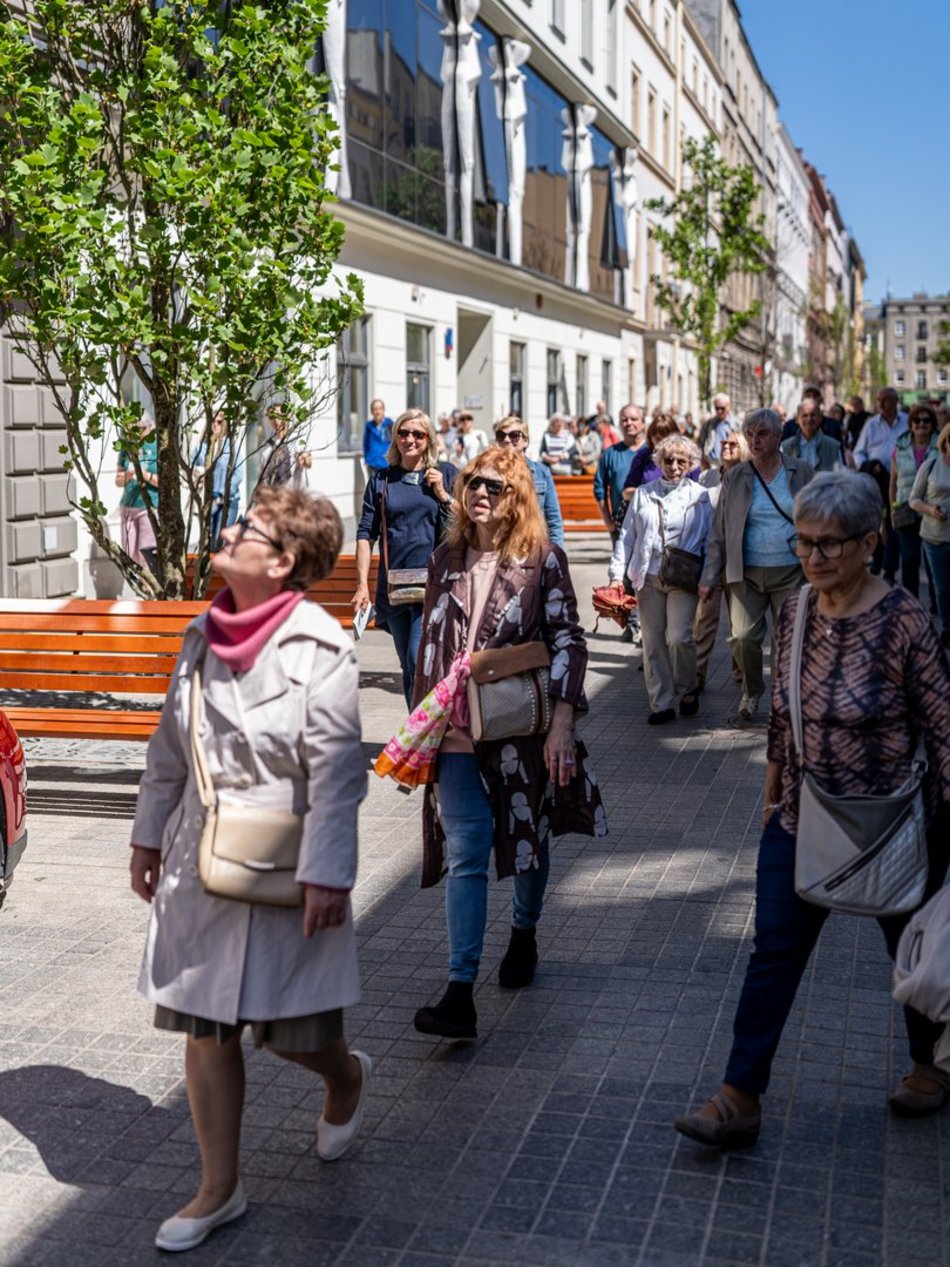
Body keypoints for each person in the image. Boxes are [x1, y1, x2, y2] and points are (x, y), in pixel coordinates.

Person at [675, 472, 950, 1150]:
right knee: (774, 949)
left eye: (830, 544)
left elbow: (944, 725)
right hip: (803, 812)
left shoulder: (905, 619)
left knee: (911, 949)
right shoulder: (796, 608)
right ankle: (739, 1095)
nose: (815, 557)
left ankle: (931, 1060)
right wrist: (772, 786)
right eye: (804, 543)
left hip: (890, 822)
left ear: (869, 542)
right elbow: (782, 705)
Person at [129, 486, 371, 1251]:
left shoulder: (320, 645)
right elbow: (169, 748)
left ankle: (345, 1076)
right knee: (206, 1026)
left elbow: (337, 772)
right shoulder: (202, 633)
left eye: (247, 528)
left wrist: (330, 873)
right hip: (201, 858)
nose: (228, 532)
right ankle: (218, 1188)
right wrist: (145, 837)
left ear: (285, 559)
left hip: (285, 863)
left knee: (287, 1032)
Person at [410, 445, 606, 1040]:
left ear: (516, 496)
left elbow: (569, 638)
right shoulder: (445, 557)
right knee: (468, 851)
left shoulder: (542, 559)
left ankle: (524, 930)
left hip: (519, 728)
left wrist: (565, 722)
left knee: (528, 838)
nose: (480, 494)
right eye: (472, 482)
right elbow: (430, 641)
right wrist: (419, 724)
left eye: (494, 486)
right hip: (454, 731)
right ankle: (460, 991)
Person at [700, 408, 814, 722]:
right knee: (742, 637)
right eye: (750, 434)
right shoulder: (736, 477)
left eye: (762, 433)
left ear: (779, 437)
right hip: (745, 572)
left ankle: (783, 697)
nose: (755, 439)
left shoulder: (801, 471)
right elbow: (719, 531)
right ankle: (751, 689)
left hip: (791, 569)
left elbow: (819, 516)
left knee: (788, 639)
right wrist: (710, 576)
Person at [353, 409, 456, 706]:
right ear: (395, 437)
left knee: (417, 659)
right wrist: (362, 584)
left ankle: (422, 737)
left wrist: (442, 494)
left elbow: (468, 522)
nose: (409, 440)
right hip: (394, 587)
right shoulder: (382, 480)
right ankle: (417, 735)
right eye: (403, 433)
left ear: (429, 439)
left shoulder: (446, 474)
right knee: (408, 667)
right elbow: (365, 534)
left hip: (434, 585)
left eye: (418, 434)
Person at [609, 435, 712, 724]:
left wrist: (709, 576)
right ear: (660, 462)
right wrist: (617, 575)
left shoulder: (700, 496)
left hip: (683, 577)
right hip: (648, 575)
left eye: (682, 461)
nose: (675, 466)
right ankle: (661, 702)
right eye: (669, 460)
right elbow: (627, 537)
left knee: (678, 637)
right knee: (653, 642)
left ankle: (688, 687)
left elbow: (709, 540)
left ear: (691, 463)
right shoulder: (643, 493)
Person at [694, 431, 749, 691]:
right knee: (704, 620)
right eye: (724, 443)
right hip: (709, 558)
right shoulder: (708, 477)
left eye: (733, 444)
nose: (725, 446)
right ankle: (696, 676)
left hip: (739, 559)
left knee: (739, 625)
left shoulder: (751, 478)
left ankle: (741, 675)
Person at [854, 387, 909, 582]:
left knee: (894, 522)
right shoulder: (871, 425)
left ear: (895, 401)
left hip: (899, 481)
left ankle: (890, 567)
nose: (880, 404)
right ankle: (876, 559)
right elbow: (858, 452)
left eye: (885, 399)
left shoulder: (906, 422)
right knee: (875, 521)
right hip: (876, 480)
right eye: (878, 399)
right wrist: (868, 466)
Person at [890, 404, 939, 600]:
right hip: (905, 509)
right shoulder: (900, 448)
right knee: (909, 558)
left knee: (932, 561)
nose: (921, 424)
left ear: (932, 424)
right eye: (917, 420)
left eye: (926, 420)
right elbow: (893, 482)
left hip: (933, 510)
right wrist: (892, 509)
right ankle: (911, 602)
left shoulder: (941, 446)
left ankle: (938, 605)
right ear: (910, 424)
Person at [493, 416, 564, 545]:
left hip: (533, 545)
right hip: (499, 546)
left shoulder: (541, 473)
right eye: (501, 435)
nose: (507, 440)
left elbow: (553, 520)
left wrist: (557, 555)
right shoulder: (489, 473)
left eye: (514, 435)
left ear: (526, 441)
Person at [910, 421, 950, 647]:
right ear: (945, 442)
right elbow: (913, 499)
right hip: (935, 537)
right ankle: (946, 626)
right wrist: (931, 510)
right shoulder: (931, 465)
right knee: (943, 587)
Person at [594, 403, 645, 542]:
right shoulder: (611, 454)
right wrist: (609, 524)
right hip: (621, 526)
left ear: (643, 423)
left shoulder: (654, 453)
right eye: (624, 420)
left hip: (650, 525)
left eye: (634, 419)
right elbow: (599, 489)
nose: (629, 423)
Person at [117, 414, 160, 576]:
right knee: (129, 554)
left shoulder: (156, 447)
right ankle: (140, 591)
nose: (138, 433)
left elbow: (165, 481)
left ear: (150, 428)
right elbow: (118, 480)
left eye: (142, 429)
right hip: (128, 507)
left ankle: (150, 595)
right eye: (134, 430)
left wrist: (145, 475)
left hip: (148, 507)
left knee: (146, 555)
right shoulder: (127, 447)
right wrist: (128, 475)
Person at [193, 412, 243, 546]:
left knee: (221, 542)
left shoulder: (230, 446)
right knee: (206, 543)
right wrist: (198, 474)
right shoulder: (200, 446)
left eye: (219, 422)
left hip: (227, 500)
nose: (215, 424)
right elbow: (191, 469)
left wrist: (222, 493)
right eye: (213, 421)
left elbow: (238, 474)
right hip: (206, 501)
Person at [622, 412, 697, 496]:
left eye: (666, 437)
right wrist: (648, 493)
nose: (663, 443)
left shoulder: (687, 456)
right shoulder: (643, 456)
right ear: (651, 437)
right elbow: (626, 492)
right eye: (658, 438)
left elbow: (698, 492)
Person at [780, 398, 842, 472]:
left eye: (813, 415)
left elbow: (840, 477)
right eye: (804, 415)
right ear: (797, 420)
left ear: (820, 418)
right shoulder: (786, 447)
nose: (809, 419)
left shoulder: (832, 447)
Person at [698, 393, 737, 468]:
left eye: (722, 408)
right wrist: (703, 459)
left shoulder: (737, 425)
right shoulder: (708, 424)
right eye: (717, 408)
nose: (719, 411)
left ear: (729, 406)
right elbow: (700, 443)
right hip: (712, 464)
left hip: (730, 464)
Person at [362, 399, 393, 477]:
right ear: (372, 412)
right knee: (373, 487)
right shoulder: (369, 426)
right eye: (375, 409)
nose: (378, 411)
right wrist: (366, 459)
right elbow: (366, 444)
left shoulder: (389, 424)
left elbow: (395, 442)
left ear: (383, 410)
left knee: (385, 488)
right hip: (372, 463)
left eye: (380, 408)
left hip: (386, 463)